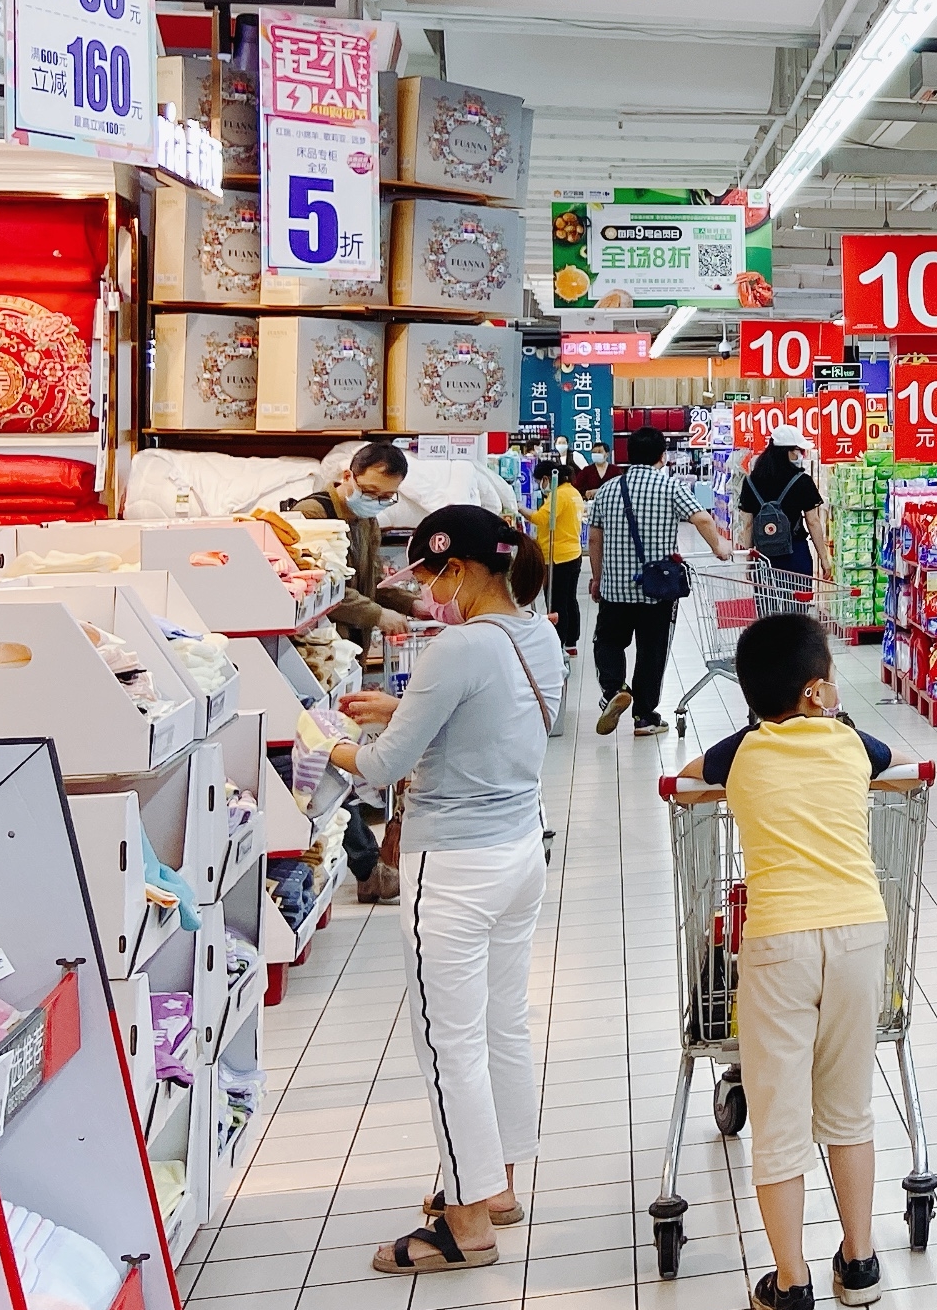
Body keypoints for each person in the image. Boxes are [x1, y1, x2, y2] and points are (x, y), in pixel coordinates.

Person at [326, 507, 562, 1275]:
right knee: (503, 1026)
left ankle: (465, 1227)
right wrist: (407, 712)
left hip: (455, 870)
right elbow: (497, 718)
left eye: (430, 577)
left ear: (457, 569)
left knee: (448, 1046)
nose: (427, 593)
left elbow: (380, 768)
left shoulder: (456, 647)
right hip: (520, 851)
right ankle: (499, 1188)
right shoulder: (537, 633)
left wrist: (319, 739)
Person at [672, 613, 891, 1310]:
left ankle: (791, 1283)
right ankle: (860, 1263)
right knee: (849, 1108)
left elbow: (685, 777)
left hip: (778, 946)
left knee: (779, 1120)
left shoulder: (740, 752)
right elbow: (886, 758)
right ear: (815, 691)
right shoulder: (851, 742)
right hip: (859, 933)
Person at [284, 441, 422, 903]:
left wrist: (414, 605)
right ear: (348, 476)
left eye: (386, 496)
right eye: (370, 491)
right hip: (314, 657)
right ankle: (367, 866)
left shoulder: (367, 521)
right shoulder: (310, 517)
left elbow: (370, 585)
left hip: (344, 657)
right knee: (328, 759)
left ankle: (362, 864)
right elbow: (323, 588)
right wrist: (379, 615)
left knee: (335, 760)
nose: (376, 501)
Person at [586, 426, 735, 737]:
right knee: (651, 651)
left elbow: (595, 538)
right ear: (662, 456)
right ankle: (644, 717)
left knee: (608, 641)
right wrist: (719, 547)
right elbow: (701, 518)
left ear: (628, 455)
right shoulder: (670, 486)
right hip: (657, 588)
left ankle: (614, 689)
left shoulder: (608, 490)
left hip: (615, 588)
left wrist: (597, 578)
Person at [738, 423, 833, 586]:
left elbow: (748, 525)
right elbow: (813, 521)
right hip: (796, 553)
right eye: (799, 450)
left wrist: (749, 561)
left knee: (768, 600)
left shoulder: (751, 481)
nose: (801, 455)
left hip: (764, 556)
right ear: (787, 451)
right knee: (798, 601)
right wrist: (824, 558)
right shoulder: (802, 481)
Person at [530, 458, 587, 658]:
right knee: (570, 599)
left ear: (547, 478)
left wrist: (518, 507)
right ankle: (571, 642)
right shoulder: (573, 493)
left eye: (540, 481)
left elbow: (540, 519)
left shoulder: (559, 495)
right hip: (573, 553)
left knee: (556, 602)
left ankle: (558, 642)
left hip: (557, 557)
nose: (540, 485)